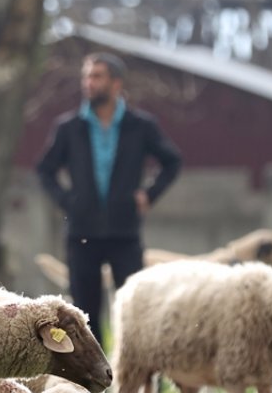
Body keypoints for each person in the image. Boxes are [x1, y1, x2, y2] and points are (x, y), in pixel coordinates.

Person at [35, 51, 183, 348]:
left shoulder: (140, 125)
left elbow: (172, 161)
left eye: (97, 76)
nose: (89, 83)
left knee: (136, 312)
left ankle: (146, 391)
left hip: (125, 234)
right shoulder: (69, 128)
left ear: (116, 84)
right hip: (81, 235)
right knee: (84, 317)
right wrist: (68, 201)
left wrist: (149, 194)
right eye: (87, 77)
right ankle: (94, 390)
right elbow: (45, 169)